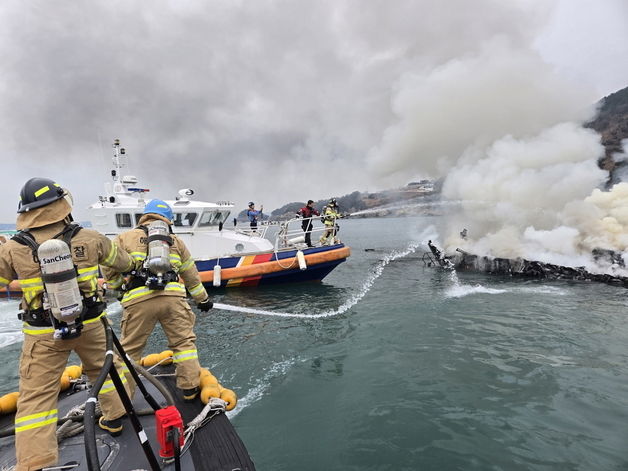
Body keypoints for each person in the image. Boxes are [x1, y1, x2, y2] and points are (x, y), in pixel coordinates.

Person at [0, 177, 136, 471]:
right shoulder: (91, 237)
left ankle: (36, 462)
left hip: (42, 333)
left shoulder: (12, 248)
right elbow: (122, 263)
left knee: (36, 398)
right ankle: (115, 418)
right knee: (107, 372)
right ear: (62, 204)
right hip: (90, 325)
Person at [102, 199, 213, 403]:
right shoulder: (175, 241)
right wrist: (203, 299)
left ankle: (123, 400)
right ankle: (189, 388)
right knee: (183, 344)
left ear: (144, 216)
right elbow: (191, 275)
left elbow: (108, 268)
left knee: (129, 351)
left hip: (138, 299)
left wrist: (120, 289)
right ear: (168, 220)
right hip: (173, 298)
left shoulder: (124, 238)